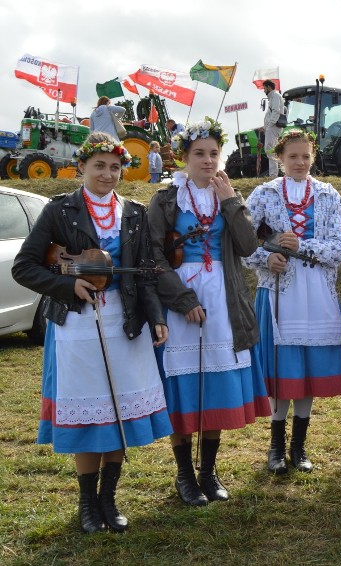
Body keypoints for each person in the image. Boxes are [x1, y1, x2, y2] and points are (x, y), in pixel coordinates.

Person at [12, 132, 172, 533]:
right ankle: (87, 503)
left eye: (115, 166)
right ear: (81, 166)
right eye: (99, 165)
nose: (107, 173)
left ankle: (109, 499)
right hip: (77, 323)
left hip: (125, 322)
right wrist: (70, 286)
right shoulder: (59, 210)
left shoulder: (134, 212)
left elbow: (149, 275)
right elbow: (25, 266)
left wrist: (156, 317)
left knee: (117, 411)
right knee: (90, 412)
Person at [147, 117, 270, 506]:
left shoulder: (228, 195)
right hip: (180, 295)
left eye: (214, 154)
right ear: (183, 157)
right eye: (199, 153)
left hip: (223, 297)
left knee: (214, 385)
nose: (207, 160)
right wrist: (181, 300)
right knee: (184, 388)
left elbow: (249, 245)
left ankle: (208, 471)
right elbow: (152, 257)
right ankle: (184, 474)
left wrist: (231, 199)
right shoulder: (166, 200)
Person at [243, 130, 341, 475]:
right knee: (282, 368)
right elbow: (243, 244)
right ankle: (275, 447)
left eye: (306, 156)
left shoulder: (327, 194)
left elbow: (340, 246)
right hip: (280, 290)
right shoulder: (263, 194)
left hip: (318, 291)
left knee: (306, 370)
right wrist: (267, 258)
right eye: (293, 156)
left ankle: (299, 446)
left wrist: (301, 248)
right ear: (280, 158)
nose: (300, 162)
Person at [263, 80, 286, 177]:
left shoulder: (275, 96)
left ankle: (273, 175)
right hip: (273, 126)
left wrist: (269, 125)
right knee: (274, 150)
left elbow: (276, 111)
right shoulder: (274, 96)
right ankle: (278, 173)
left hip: (273, 127)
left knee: (270, 149)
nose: (264, 90)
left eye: (264, 88)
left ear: (268, 87)